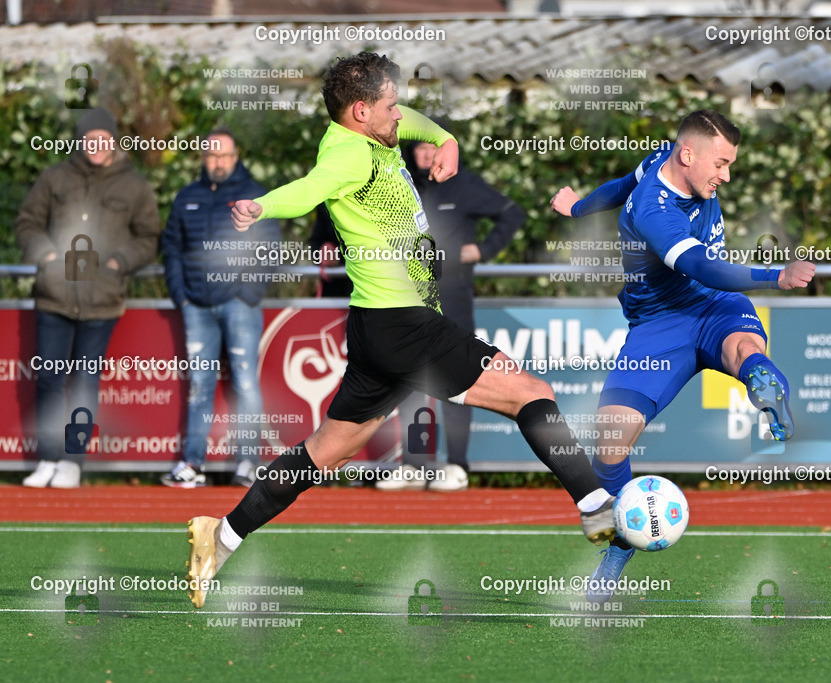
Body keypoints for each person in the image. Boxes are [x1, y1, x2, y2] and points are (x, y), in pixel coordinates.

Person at [183, 53, 614, 609]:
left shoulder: (372, 132)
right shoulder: (346, 156)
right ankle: (599, 505)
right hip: (402, 324)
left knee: (323, 454)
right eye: (388, 106)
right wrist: (259, 205)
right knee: (532, 393)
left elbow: (413, 119)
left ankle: (218, 537)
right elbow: (307, 189)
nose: (399, 116)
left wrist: (448, 139)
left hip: (376, 328)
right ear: (361, 111)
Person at [551, 110, 815, 602]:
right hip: (660, 326)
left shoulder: (660, 161)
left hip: (714, 306)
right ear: (687, 155)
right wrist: (774, 277)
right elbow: (700, 265)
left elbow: (617, 186)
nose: (727, 176)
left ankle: (766, 387)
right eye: (722, 163)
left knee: (744, 347)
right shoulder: (655, 209)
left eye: (731, 164)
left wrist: (579, 207)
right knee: (608, 444)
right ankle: (621, 541)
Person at [15, 107, 160, 488]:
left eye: (103, 139)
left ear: (113, 141)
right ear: (81, 141)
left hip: (102, 303)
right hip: (54, 297)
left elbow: (149, 237)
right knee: (48, 379)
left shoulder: (134, 185)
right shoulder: (54, 177)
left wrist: (119, 261)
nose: (96, 145)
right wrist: (46, 256)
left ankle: (72, 462)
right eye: (89, 139)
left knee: (83, 382)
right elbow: (27, 223)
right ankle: (47, 458)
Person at [381, 138, 524, 491]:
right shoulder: (402, 184)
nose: (429, 155)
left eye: (435, 148)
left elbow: (512, 213)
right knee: (411, 380)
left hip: (454, 298)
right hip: (409, 297)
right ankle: (415, 466)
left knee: (458, 378)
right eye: (421, 149)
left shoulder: (465, 185)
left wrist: (484, 249)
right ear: (411, 153)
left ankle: (457, 465)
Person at [160, 128, 282, 488]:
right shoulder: (187, 196)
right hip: (196, 305)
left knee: (246, 382)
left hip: (239, 303)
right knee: (200, 384)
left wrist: (250, 291)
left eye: (225, 156)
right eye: (212, 156)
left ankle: (247, 461)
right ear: (203, 158)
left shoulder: (254, 194)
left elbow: (270, 243)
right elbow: (172, 247)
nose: (218, 162)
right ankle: (192, 463)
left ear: (236, 156)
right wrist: (180, 295)